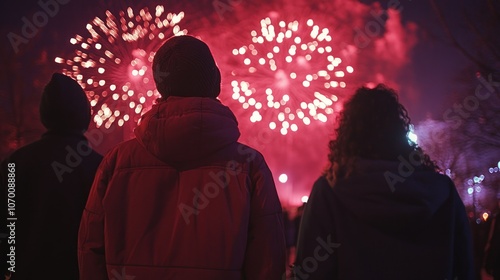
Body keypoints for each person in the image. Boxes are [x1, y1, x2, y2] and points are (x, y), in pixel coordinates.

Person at [78, 35, 286, 280]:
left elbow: (90, 250)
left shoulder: (117, 162)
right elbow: (268, 259)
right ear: (214, 82)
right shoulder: (249, 165)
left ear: (160, 84)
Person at [294, 85, 474, 280]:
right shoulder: (442, 191)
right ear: (399, 131)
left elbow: (310, 270)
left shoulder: (330, 192)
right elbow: (465, 266)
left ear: (348, 134)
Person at [0, 73, 103, 280]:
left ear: (44, 113)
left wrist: (9, 268)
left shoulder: (15, 163)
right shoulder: (100, 167)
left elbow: (7, 226)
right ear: (84, 115)